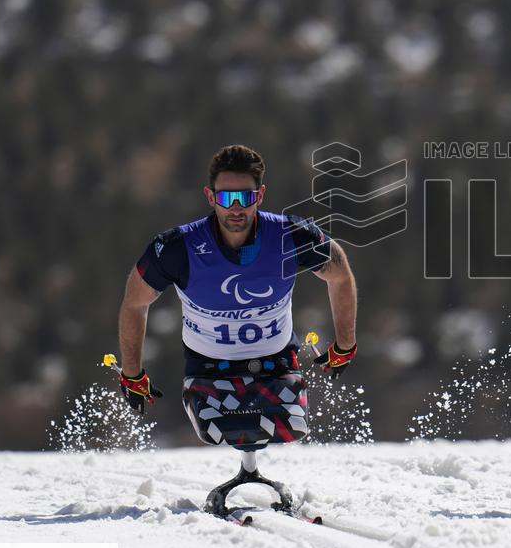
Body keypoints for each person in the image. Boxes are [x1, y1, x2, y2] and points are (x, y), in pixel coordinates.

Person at [116, 144, 358, 416]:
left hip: (276, 362)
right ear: (210, 197)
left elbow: (340, 276)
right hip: (207, 365)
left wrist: (345, 345)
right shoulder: (178, 247)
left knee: (289, 427)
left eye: (245, 198)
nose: (235, 208)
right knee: (221, 430)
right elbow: (135, 302)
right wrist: (132, 375)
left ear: (260, 196)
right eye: (225, 198)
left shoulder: (292, 235)